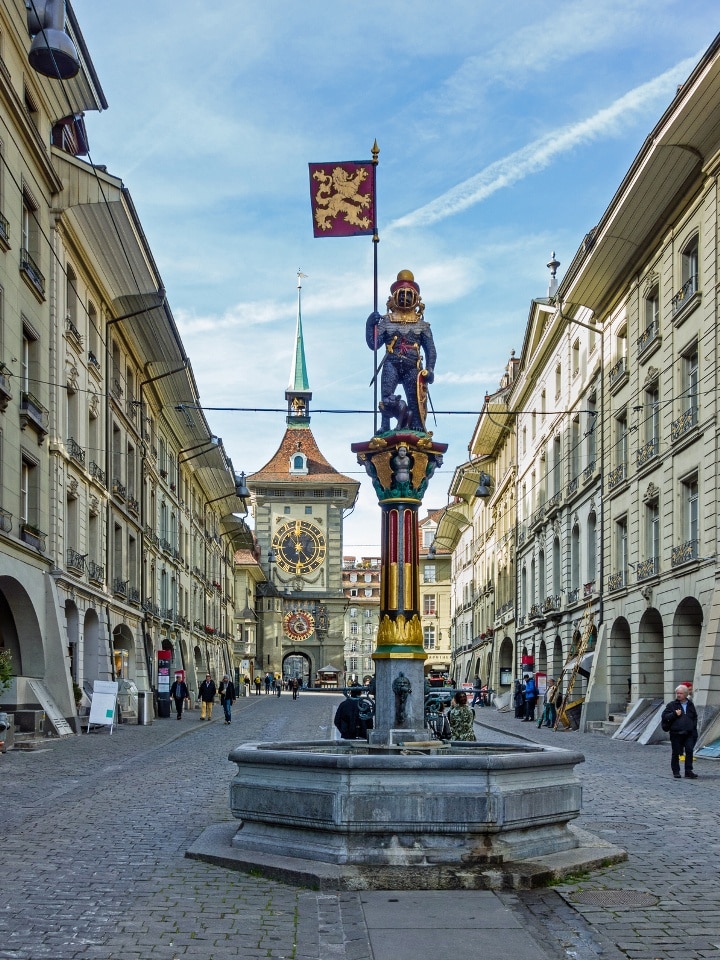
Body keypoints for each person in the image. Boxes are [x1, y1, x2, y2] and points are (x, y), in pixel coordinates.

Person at [366, 270, 437, 433]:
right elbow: (374, 344)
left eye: (409, 294)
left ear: (416, 298)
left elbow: (431, 350)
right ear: (394, 297)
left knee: (414, 398)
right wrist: (369, 325)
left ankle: (416, 422)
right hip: (391, 362)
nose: (405, 297)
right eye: (402, 294)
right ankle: (385, 424)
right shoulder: (386, 321)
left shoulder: (422, 325)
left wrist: (430, 368)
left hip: (412, 365)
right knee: (386, 396)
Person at [661, 685, 699, 779]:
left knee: (689, 751)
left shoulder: (690, 704)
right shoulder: (672, 705)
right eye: (677, 693)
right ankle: (676, 771)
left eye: (681, 693)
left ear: (686, 694)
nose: (678, 695)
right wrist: (674, 714)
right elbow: (665, 716)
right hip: (676, 733)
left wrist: (693, 727)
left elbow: (694, 717)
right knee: (676, 752)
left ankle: (688, 771)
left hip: (689, 733)